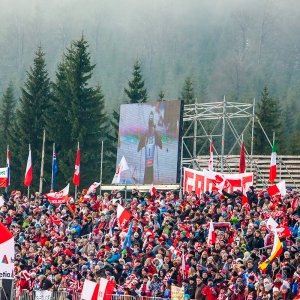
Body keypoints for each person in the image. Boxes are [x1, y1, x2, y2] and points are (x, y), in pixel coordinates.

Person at [137, 111, 162, 184]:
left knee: (151, 169)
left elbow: (160, 143)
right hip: (147, 159)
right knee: (147, 169)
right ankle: (146, 181)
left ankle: (151, 181)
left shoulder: (155, 134)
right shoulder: (145, 135)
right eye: (149, 126)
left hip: (152, 159)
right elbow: (141, 144)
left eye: (151, 126)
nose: (150, 127)